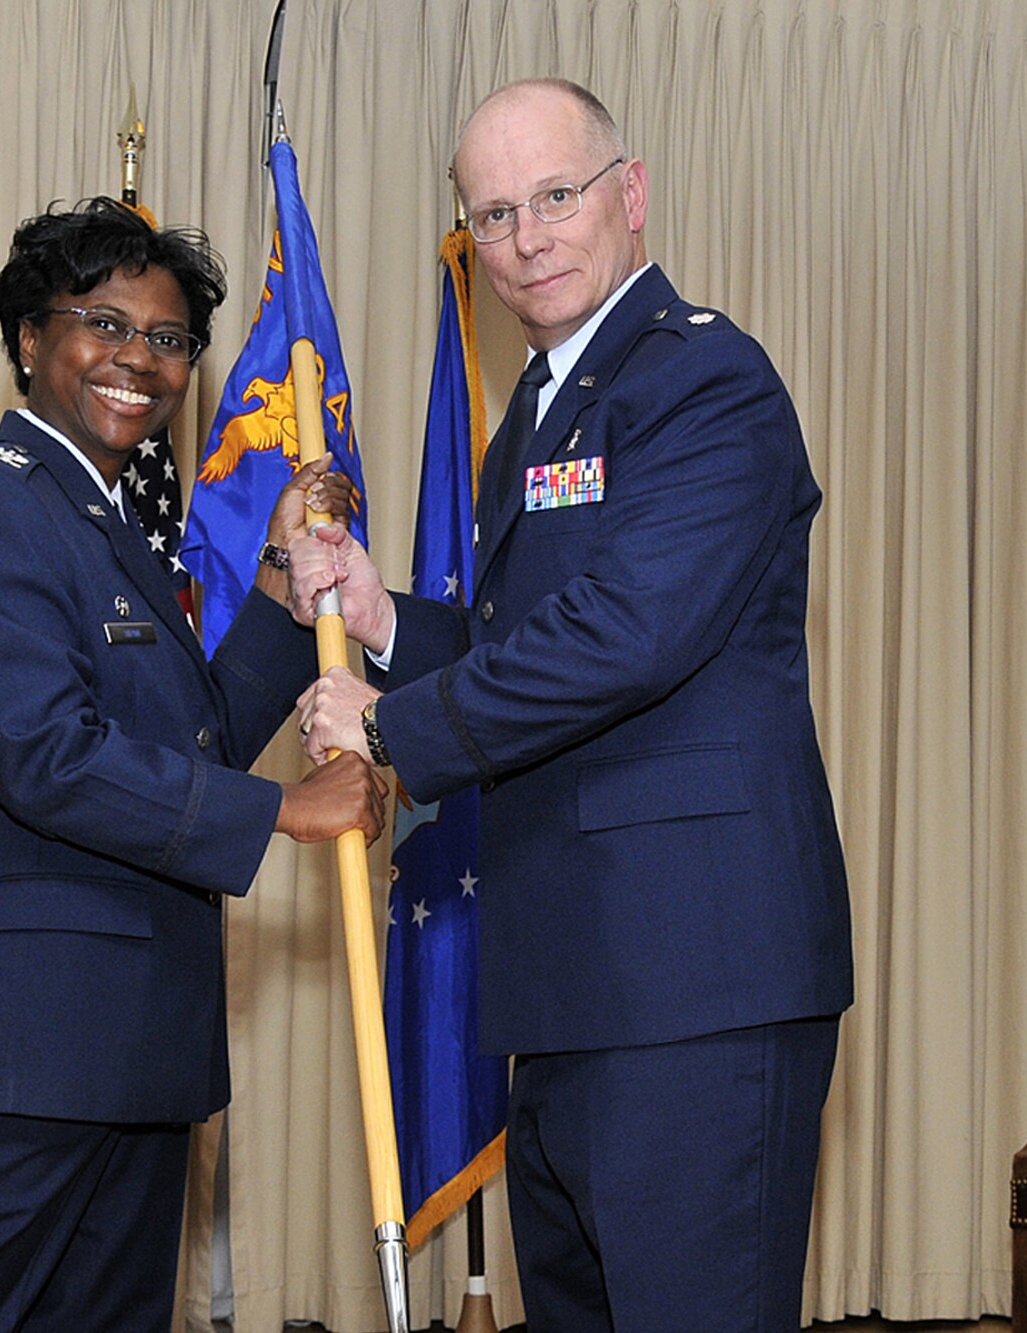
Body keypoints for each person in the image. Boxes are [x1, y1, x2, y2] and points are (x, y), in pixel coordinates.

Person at [290, 79, 853, 1331]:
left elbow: (625, 635)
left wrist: (385, 729)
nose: (527, 236)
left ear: (630, 194)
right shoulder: (532, 421)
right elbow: (517, 640)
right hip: (565, 979)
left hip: (693, 978)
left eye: (555, 196)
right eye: (492, 215)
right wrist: (386, 624)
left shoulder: (707, 380)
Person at [0, 198, 387, 1331]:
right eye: (103, 323)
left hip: (135, 1051)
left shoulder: (104, 527)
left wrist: (280, 572)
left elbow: (190, 737)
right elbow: (48, 757)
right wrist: (283, 809)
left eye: (169, 338)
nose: (140, 359)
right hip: (24, 1055)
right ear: (30, 339)